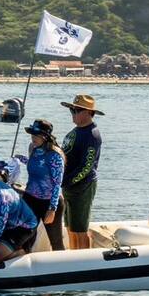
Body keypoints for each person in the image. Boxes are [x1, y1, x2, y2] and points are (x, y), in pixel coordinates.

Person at [60, 94, 104, 249]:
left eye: (76, 110)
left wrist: (67, 181)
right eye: (72, 110)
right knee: (70, 227)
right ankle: (73, 255)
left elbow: (87, 166)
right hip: (68, 186)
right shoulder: (75, 131)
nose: (73, 114)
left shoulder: (92, 134)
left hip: (82, 186)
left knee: (80, 229)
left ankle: (84, 258)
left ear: (88, 113)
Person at [18, 119, 66, 251]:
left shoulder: (55, 155)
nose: (32, 137)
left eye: (36, 135)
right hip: (30, 199)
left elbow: (57, 184)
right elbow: (36, 165)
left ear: (45, 137)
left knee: (55, 241)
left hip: (48, 202)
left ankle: (62, 266)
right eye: (32, 134)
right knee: (25, 238)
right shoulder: (32, 147)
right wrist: (19, 159)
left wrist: (52, 209)